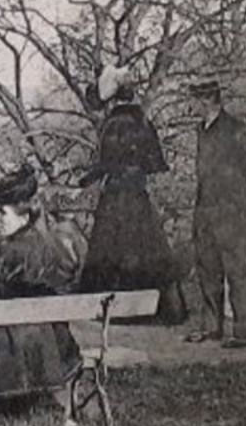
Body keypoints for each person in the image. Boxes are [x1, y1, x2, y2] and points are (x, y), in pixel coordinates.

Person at [76, 68, 188, 325]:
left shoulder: (113, 124)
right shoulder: (144, 122)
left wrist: (85, 181)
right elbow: (157, 163)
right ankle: (161, 309)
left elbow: (106, 163)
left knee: (112, 249)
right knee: (147, 249)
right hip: (139, 192)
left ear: (111, 99)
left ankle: (117, 313)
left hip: (116, 194)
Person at [0, 167, 82, 405]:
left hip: (16, 339)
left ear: (23, 217)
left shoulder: (12, 251)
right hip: (55, 339)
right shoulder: (50, 243)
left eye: (3, 215)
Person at [185, 80, 246, 349]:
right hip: (206, 212)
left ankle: (243, 332)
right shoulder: (201, 130)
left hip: (233, 215)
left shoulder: (236, 130)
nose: (190, 105)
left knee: (239, 272)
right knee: (208, 270)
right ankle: (212, 328)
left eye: (194, 100)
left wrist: (243, 206)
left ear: (207, 100)